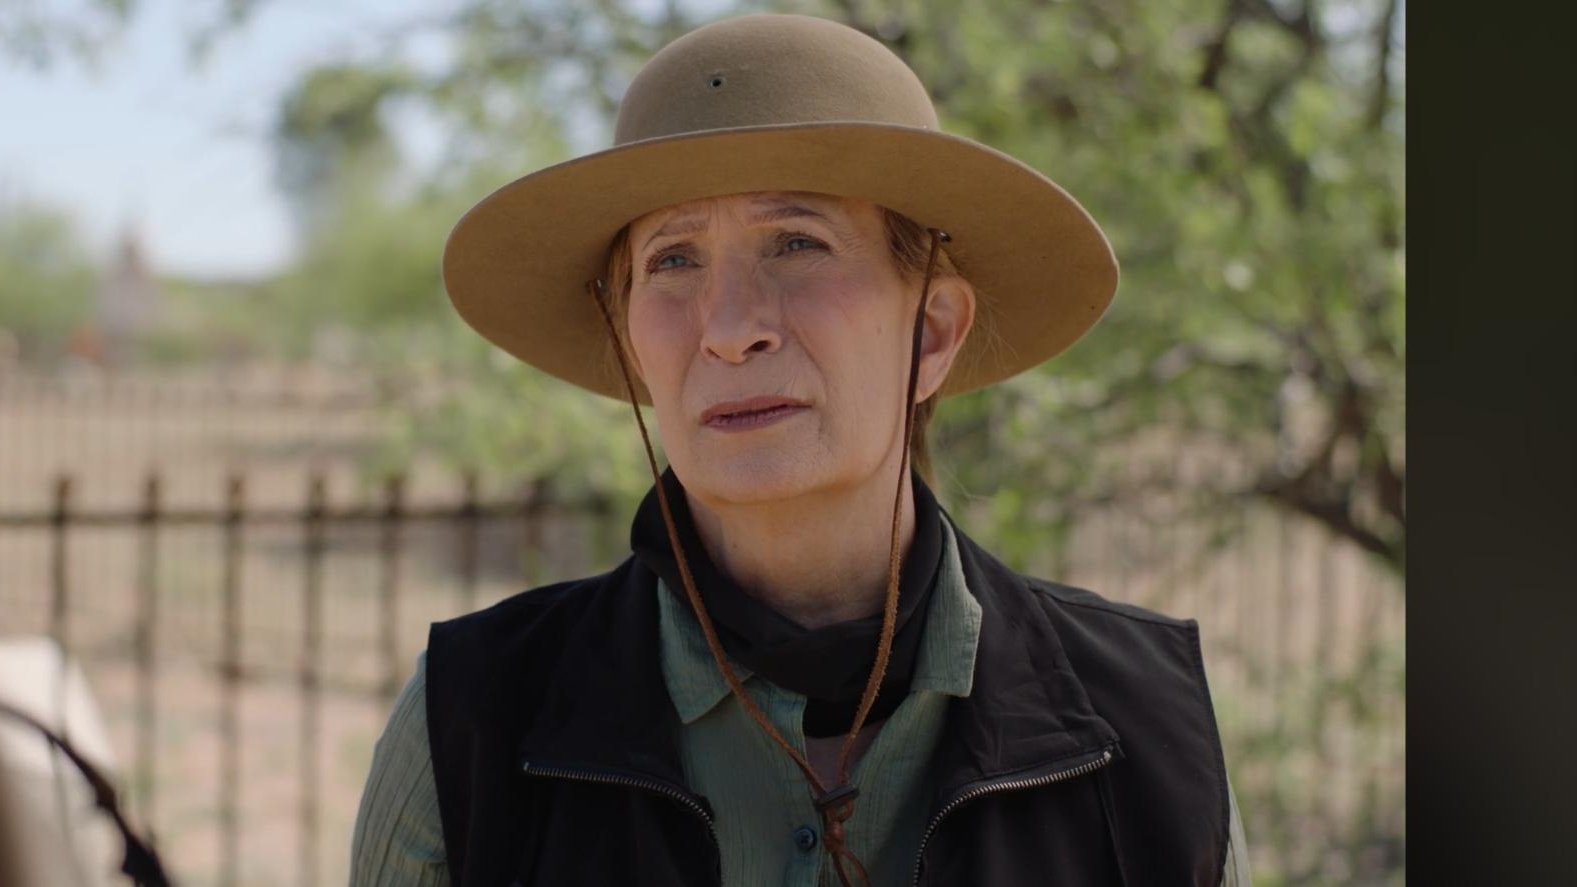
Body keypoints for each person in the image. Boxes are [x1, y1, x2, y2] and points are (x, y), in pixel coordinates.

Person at [351, 13, 1250, 886]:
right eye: (671, 260)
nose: (729, 327)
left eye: (796, 242)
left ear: (931, 331)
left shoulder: (1139, 730)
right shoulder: (475, 725)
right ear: (628, 337)